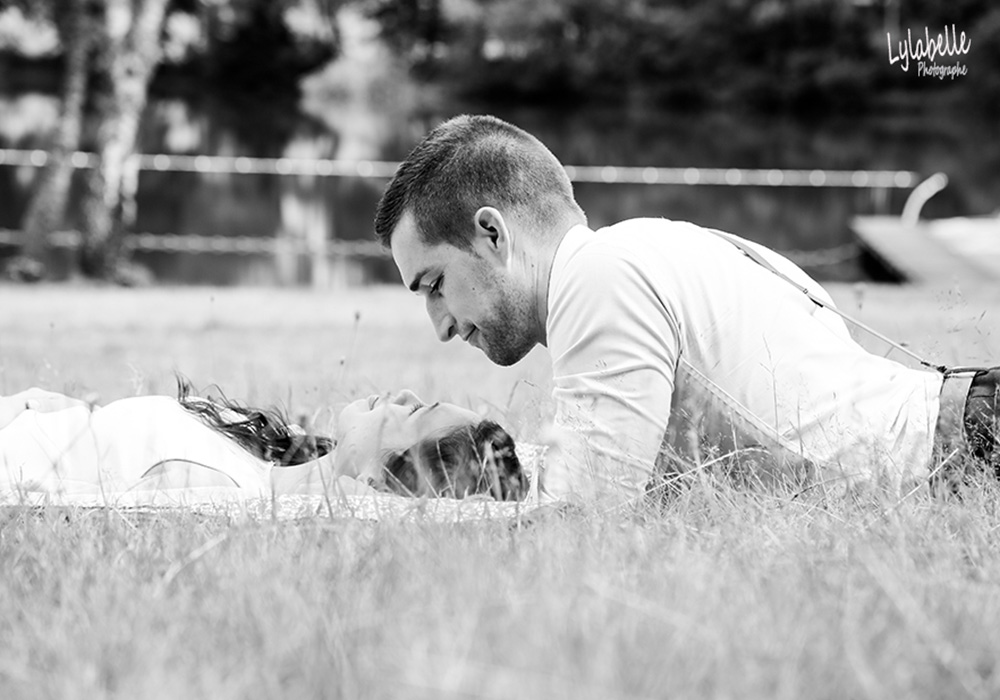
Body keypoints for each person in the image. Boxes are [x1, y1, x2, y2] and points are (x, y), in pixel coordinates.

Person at [373, 113, 999, 505]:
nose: (442, 328)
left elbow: (581, 522)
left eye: (434, 285)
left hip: (972, 447)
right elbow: (603, 477)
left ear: (492, 234)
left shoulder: (601, 278)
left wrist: (370, 503)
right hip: (965, 423)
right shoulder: (648, 248)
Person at [0, 384, 528, 503]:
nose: (407, 391)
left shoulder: (220, 489)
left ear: (374, 483)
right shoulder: (261, 454)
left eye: (416, 411)